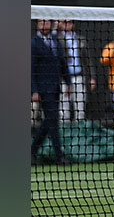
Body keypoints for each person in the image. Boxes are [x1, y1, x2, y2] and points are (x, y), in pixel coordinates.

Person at [31, 19, 70, 164]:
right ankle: (59, 156)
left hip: (55, 88)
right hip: (43, 89)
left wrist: (68, 82)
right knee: (52, 119)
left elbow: (62, 62)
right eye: (42, 23)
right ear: (37, 25)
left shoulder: (55, 40)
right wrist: (34, 90)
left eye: (47, 23)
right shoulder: (33, 43)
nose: (44, 25)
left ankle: (32, 151)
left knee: (51, 120)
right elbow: (31, 69)